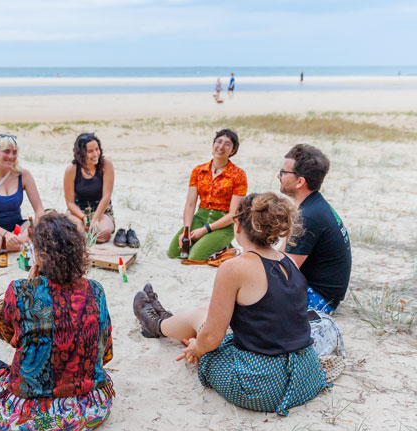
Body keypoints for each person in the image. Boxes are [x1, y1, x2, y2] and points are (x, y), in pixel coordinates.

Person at [135, 192, 329, 415]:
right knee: (208, 321)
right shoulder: (288, 262)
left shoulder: (235, 267)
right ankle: (163, 318)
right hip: (305, 375)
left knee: (202, 317)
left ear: (238, 226)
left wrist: (197, 348)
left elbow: (212, 337)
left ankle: (156, 323)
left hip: (262, 385)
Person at [0, 212, 114, 431]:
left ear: (40, 256)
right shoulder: (96, 290)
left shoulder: (21, 291)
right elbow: (105, 355)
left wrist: (29, 281)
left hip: (30, 418)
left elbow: (5, 333)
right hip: (89, 409)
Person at [278, 144, 351, 313]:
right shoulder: (313, 204)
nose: (278, 175)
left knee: (251, 296)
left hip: (319, 299)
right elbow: (284, 250)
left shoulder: (308, 216)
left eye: (283, 172)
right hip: (323, 292)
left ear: (300, 182)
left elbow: (285, 270)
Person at [167, 129, 247, 261]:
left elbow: (233, 214)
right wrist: (186, 232)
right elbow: (191, 203)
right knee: (173, 252)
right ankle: (210, 242)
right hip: (200, 217)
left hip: (224, 223)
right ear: (213, 144)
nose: (221, 147)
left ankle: (224, 246)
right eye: (218, 142)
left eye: (227, 144)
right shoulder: (198, 171)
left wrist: (205, 230)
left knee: (195, 257)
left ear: (233, 151)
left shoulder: (239, 175)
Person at [0, 134, 45, 252]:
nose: (11, 156)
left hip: (17, 227)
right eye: (7, 151)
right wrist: (6, 234)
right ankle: (21, 246)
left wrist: (36, 224)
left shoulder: (24, 175)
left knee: (44, 225)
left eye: (14, 152)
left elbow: (39, 209)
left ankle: (0, 247)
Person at [63, 132, 115, 242]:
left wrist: (95, 219)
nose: (96, 154)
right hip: (79, 213)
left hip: (102, 212)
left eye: (97, 149)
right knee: (77, 234)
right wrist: (84, 218)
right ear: (81, 153)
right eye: (90, 151)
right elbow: (70, 203)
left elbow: (107, 195)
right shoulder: (71, 170)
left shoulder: (107, 165)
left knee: (102, 234)